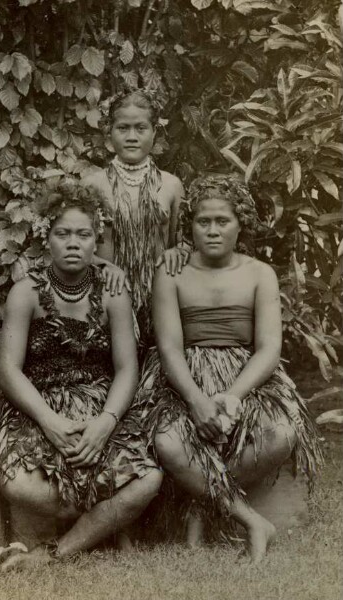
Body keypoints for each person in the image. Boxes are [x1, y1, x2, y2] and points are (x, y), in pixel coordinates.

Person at [138, 173, 322, 563]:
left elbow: (269, 347)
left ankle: (200, 506)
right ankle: (251, 520)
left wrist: (235, 395)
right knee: (169, 443)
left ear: (241, 223)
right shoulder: (172, 272)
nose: (213, 230)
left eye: (223, 221)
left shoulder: (259, 273)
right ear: (191, 226)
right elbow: (169, 346)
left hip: (246, 375)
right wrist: (196, 400)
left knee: (281, 434)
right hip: (184, 376)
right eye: (203, 222)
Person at [0, 182, 162, 569]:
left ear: (97, 241)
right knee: (19, 484)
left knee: (148, 480)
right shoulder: (26, 292)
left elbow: (127, 368)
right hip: (38, 407)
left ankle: (56, 552)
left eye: (84, 234)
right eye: (63, 234)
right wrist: (50, 422)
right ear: (47, 239)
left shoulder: (112, 293)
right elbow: (9, 370)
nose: (73, 243)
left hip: (99, 407)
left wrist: (106, 424)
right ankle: (97, 527)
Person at [82, 89, 188, 350]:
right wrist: (103, 266)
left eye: (141, 128)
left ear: (155, 131)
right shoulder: (92, 184)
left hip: (159, 299)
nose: (131, 137)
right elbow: (77, 244)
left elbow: (182, 241)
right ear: (109, 132)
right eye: (123, 128)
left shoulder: (171, 185)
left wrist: (178, 251)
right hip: (107, 295)